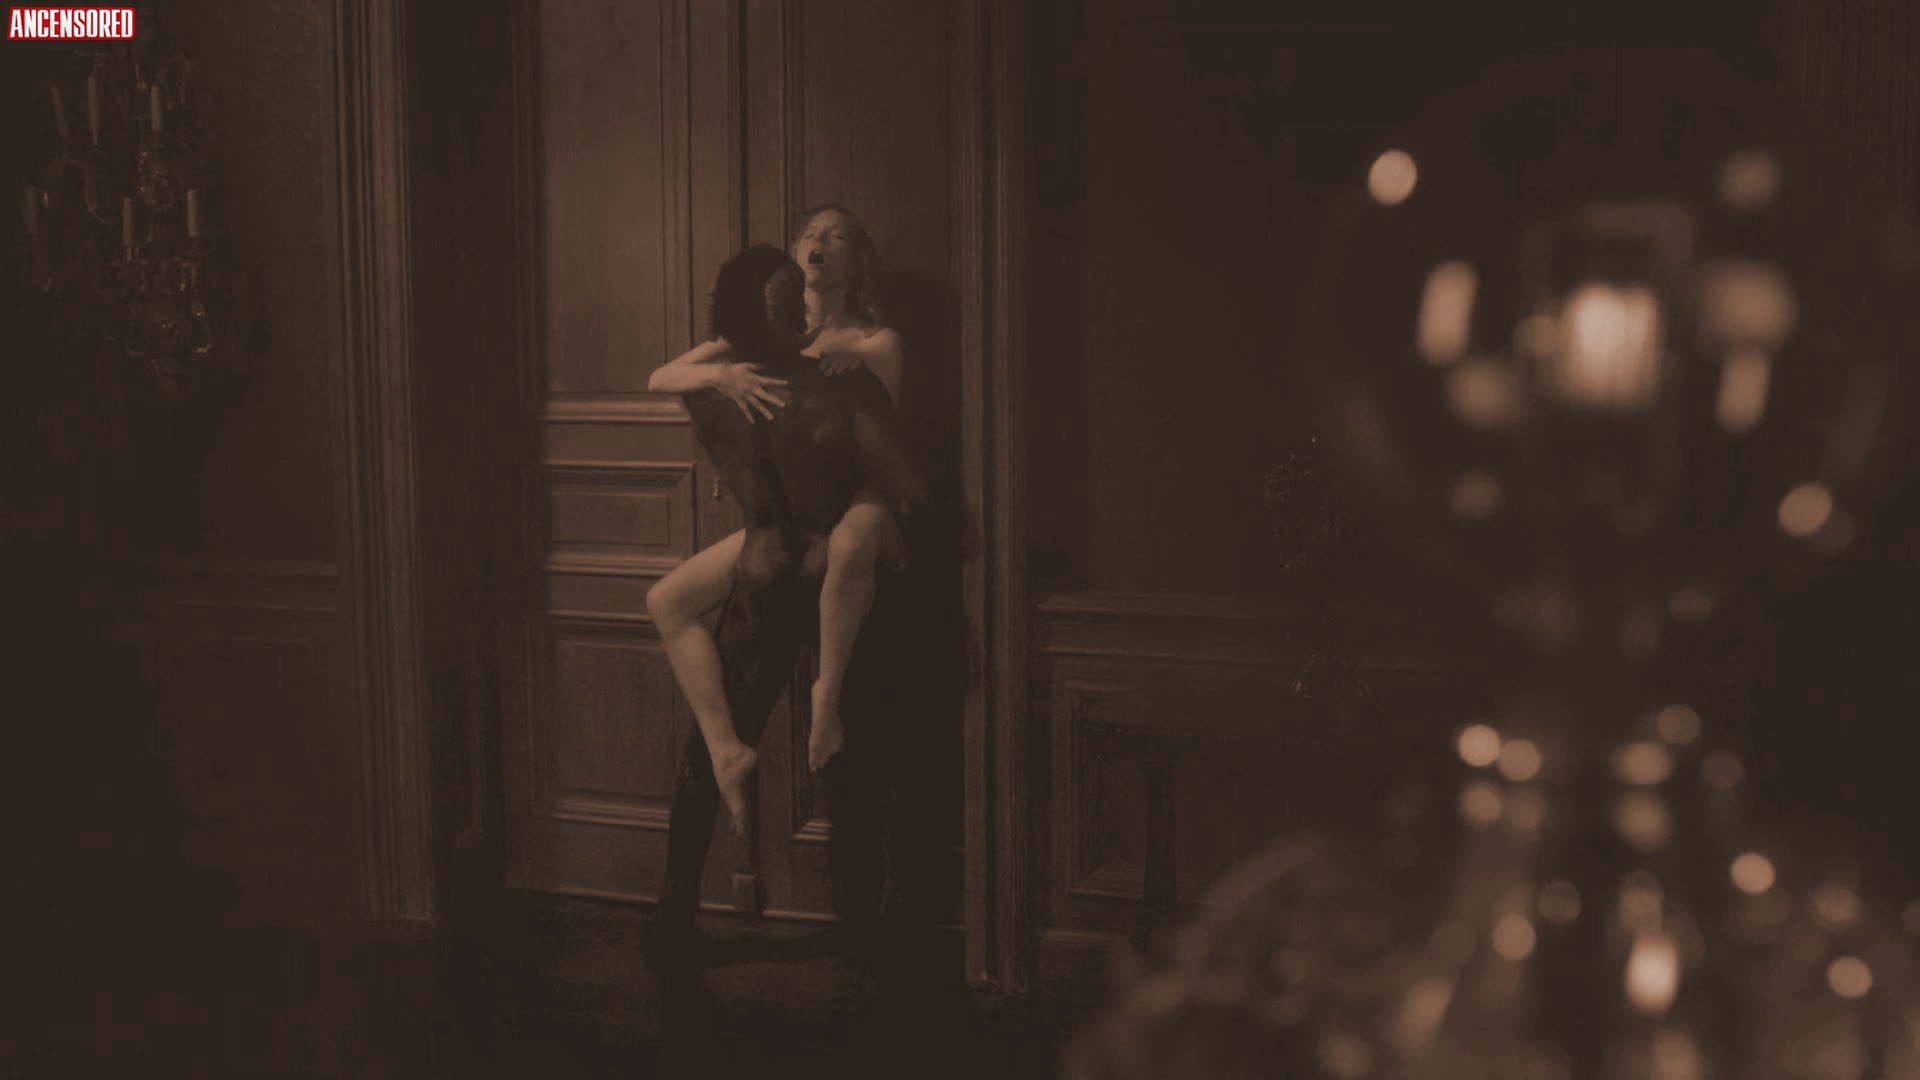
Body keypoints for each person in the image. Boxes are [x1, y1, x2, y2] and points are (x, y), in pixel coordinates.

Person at [645, 241, 925, 977]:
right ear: (780, 313)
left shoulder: (711, 393)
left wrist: (721, 367)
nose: (802, 304)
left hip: (761, 570)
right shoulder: (839, 384)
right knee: (868, 748)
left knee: (712, 747)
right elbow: (904, 482)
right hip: (833, 574)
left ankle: (671, 919)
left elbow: (669, 376)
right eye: (790, 296)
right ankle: (884, 930)